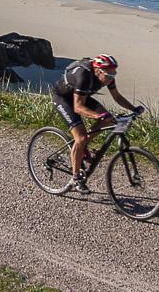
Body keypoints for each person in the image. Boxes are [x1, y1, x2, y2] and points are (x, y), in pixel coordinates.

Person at [50, 54, 141, 190]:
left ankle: (83, 149)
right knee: (80, 138)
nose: (110, 79)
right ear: (98, 70)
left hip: (81, 96)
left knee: (109, 120)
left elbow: (117, 97)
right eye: (108, 76)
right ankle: (76, 179)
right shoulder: (83, 76)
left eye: (113, 75)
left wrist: (134, 109)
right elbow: (78, 107)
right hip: (64, 99)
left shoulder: (107, 76)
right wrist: (98, 115)